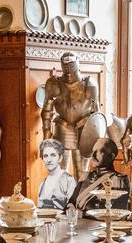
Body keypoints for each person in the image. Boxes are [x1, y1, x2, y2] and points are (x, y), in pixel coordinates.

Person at [42, 52, 101, 180]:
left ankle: (79, 200)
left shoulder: (89, 84)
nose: (68, 71)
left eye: (71, 66)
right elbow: (47, 111)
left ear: (77, 64)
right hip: (62, 129)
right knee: (58, 173)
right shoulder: (54, 83)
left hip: (83, 131)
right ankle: (60, 200)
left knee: (81, 174)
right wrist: (46, 136)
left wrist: (98, 141)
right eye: (66, 67)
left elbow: (96, 114)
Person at [68, 138, 129, 213]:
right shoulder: (85, 176)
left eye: (99, 151)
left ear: (111, 157)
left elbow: (117, 211)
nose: (93, 155)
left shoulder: (118, 179)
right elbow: (71, 202)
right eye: (93, 151)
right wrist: (70, 208)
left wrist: (83, 214)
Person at [36, 139, 77, 209]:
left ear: (60, 158)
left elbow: (72, 209)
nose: (49, 160)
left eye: (53, 155)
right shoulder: (42, 183)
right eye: (45, 156)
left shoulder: (69, 180)